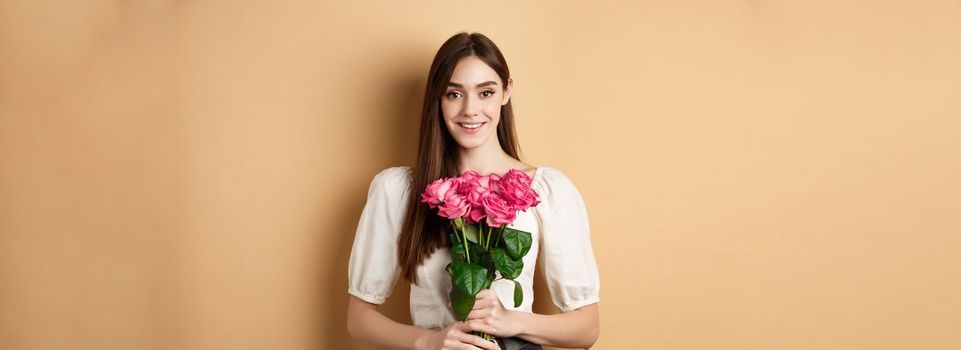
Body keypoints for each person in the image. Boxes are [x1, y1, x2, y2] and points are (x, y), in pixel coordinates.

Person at [346, 32, 600, 350]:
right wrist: (430, 341)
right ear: (437, 99)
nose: (470, 110)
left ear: (506, 92)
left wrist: (511, 320)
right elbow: (358, 319)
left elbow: (587, 327)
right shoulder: (397, 190)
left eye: (486, 92)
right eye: (454, 94)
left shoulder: (547, 190)